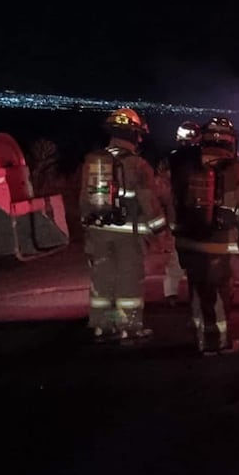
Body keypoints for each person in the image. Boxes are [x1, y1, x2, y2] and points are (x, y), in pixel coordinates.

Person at [170, 117, 239, 355]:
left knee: (196, 288)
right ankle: (219, 343)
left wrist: (177, 232)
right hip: (221, 245)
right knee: (219, 294)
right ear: (231, 141)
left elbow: (171, 202)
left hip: (188, 242)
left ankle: (200, 338)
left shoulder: (183, 164)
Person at [80, 108, 167, 344]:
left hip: (98, 231)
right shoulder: (138, 165)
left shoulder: (93, 160)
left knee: (102, 279)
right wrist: (160, 231)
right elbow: (149, 203)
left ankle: (103, 326)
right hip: (129, 235)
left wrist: (89, 231)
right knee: (128, 281)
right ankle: (128, 327)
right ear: (134, 135)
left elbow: (84, 201)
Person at [159, 121, 202, 306]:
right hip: (199, 215)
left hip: (178, 215)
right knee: (199, 257)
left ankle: (171, 293)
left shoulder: (171, 158)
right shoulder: (203, 158)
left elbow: (164, 187)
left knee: (177, 255)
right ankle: (198, 294)